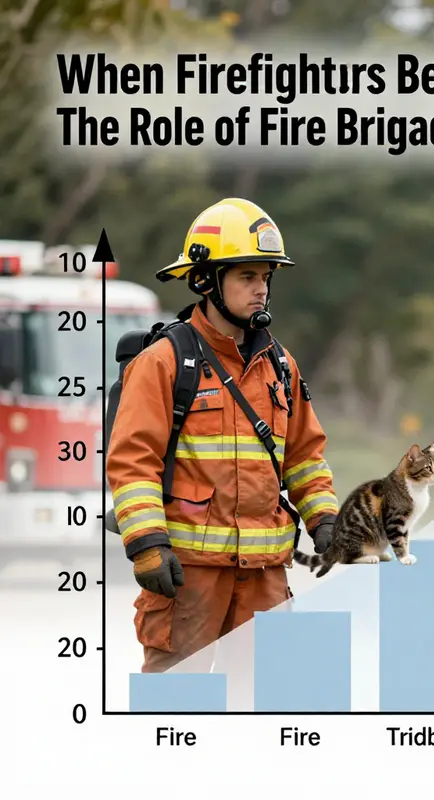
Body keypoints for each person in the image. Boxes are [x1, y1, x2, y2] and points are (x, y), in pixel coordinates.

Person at [106, 197, 339, 673]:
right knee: (176, 709)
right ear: (204, 280)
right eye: (247, 276)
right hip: (189, 576)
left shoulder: (279, 364)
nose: (261, 290)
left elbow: (304, 457)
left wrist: (327, 522)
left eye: (266, 277)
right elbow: (133, 462)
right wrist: (148, 543)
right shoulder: (164, 362)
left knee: (265, 712)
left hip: (265, 579)